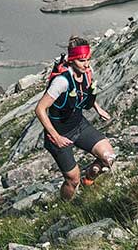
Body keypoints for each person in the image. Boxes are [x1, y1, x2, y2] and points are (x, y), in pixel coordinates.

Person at [35, 37, 116, 200]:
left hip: (79, 125)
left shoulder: (87, 72)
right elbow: (40, 109)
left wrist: (97, 108)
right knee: (72, 180)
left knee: (109, 157)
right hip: (59, 134)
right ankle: (65, 205)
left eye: (87, 59)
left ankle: (89, 179)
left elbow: (84, 92)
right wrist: (56, 137)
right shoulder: (61, 81)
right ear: (72, 60)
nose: (86, 64)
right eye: (81, 60)